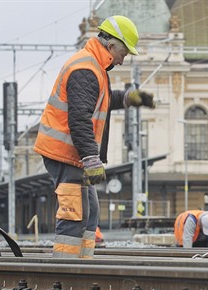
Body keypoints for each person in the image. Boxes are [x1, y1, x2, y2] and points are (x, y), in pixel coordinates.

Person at [33, 15, 155, 258]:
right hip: (65, 154)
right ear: (111, 47)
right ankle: (66, 275)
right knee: (75, 212)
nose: (123, 61)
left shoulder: (95, 68)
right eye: (124, 54)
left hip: (71, 154)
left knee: (89, 212)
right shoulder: (86, 69)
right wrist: (91, 158)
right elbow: (79, 118)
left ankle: (83, 266)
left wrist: (127, 98)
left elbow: (99, 101)